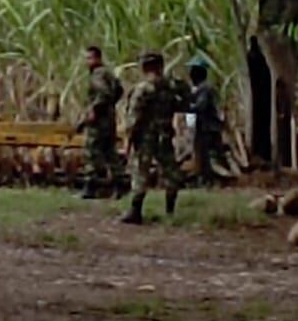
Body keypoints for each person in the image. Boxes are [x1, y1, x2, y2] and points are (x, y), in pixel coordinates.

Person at [121, 49, 183, 225]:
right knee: (170, 172)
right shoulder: (170, 87)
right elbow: (181, 105)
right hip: (164, 134)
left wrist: (128, 140)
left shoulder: (143, 89)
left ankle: (135, 211)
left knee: (141, 171)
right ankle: (170, 210)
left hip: (146, 136)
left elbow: (134, 117)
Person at [78, 45, 124, 199]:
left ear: (97, 58)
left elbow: (104, 93)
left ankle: (91, 187)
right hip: (109, 119)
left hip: (99, 120)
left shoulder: (97, 75)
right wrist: (111, 104)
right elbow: (119, 90)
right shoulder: (108, 73)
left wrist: (94, 109)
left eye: (89, 58)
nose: (87, 62)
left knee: (91, 151)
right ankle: (119, 185)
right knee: (110, 152)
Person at [188, 55, 225, 186]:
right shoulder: (204, 88)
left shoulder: (205, 89)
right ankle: (206, 180)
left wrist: (185, 107)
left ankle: (209, 180)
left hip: (207, 128)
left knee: (206, 156)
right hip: (207, 127)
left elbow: (200, 106)